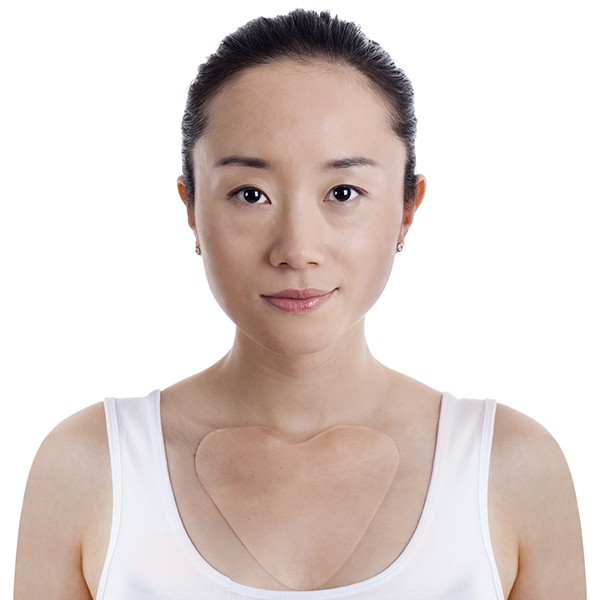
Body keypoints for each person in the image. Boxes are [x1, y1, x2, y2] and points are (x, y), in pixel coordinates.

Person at [14, 8, 586, 600]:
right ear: (191, 208)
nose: (297, 249)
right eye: (250, 194)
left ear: (407, 209)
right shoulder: (88, 468)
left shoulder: (512, 468)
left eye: (343, 192)